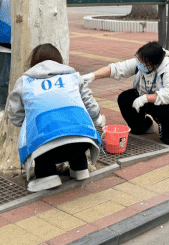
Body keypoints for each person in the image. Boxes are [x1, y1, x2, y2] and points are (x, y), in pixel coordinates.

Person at [7, 43, 105, 192]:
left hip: (47, 148)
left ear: (33, 62)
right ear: (59, 60)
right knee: (74, 130)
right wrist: (98, 119)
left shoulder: (24, 82)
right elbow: (92, 108)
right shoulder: (74, 77)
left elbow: (15, 116)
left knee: (41, 135)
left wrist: (31, 119)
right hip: (82, 143)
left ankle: (46, 175)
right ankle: (80, 168)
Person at [82, 41, 169, 146]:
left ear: (155, 65)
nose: (140, 63)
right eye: (139, 60)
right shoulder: (143, 62)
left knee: (162, 108)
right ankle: (143, 127)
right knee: (125, 98)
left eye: (143, 62)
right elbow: (117, 69)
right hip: (147, 95)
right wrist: (92, 76)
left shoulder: (168, 70)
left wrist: (145, 98)